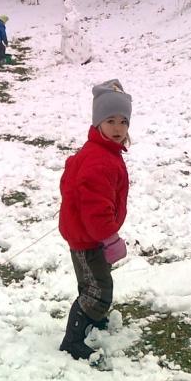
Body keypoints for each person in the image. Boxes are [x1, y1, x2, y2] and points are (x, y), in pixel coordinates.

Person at [58, 79, 132, 360]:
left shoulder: (104, 153)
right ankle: (72, 339)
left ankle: (93, 317)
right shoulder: (99, 160)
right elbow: (95, 207)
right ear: (97, 122)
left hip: (88, 235)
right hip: (89, 237)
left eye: (123, 122)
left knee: (92, 283)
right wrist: (109, 237)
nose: (117, 128)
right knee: (98, 290)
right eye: (110, 120)